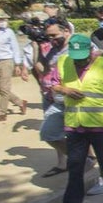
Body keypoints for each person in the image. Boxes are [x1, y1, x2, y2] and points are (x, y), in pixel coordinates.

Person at [48, 34, 103, 203]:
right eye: (76, 58)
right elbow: (52, 84)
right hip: (75, 125)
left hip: (102, 125)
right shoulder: (63, 62)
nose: (79, 61)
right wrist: (63, 89)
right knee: (75, 166)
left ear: (91, 52)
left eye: (83, 57)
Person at [34, 20, 71, 177]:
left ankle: (87, 161)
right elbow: (42, 69)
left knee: (81, 136)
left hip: (72, 100)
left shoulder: (76, 47)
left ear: (66, 31)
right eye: (48, 36)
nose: (51, 39)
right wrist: (37, 47)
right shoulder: (52, 48)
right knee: (49, 133)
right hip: (53, 98)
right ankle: (79, 159)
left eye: (54, 35)